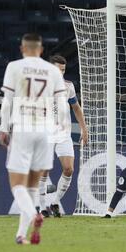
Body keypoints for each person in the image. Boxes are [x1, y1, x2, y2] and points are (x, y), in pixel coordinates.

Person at [0, 33, 67, 244]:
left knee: (17, 184)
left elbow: (7, 101)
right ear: (41, 49)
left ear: (22, 48)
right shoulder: (52, 70)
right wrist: (61, 126)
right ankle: (20, 234)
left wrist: (3, 128)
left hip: (23, 127)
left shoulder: (14, 66)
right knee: (33, 185)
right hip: (46, 130)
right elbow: (62, 103)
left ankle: (36, 214)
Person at [39, 55, 89, 218]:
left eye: (63, 70)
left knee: (69, 169)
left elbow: (76, 108)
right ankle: (42, 207)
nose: (60, 73)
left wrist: (84, 128)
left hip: (63, 134)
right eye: (57, 70)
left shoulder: (68, 86)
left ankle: (54, 203)